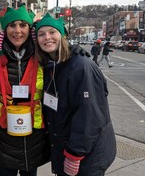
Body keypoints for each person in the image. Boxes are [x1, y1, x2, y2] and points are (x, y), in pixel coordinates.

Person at [35, 13, 116, 176]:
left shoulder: (80, 67)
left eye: (52, 32)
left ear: (63, 35)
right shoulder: (52, 65)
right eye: (41, 34)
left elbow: (90, 116)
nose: (47, 38)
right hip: (66, 147)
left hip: (87, 157)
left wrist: (75, 154)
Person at [0, 6, 50, 176]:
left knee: (30, 172)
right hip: (5, 127)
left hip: (34, 127)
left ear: (30, 28)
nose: (18, 31)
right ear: (5, 30)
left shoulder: (41, 52)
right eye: (12, 25)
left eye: (23, 25)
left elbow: (61, 52)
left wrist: (75, 53)